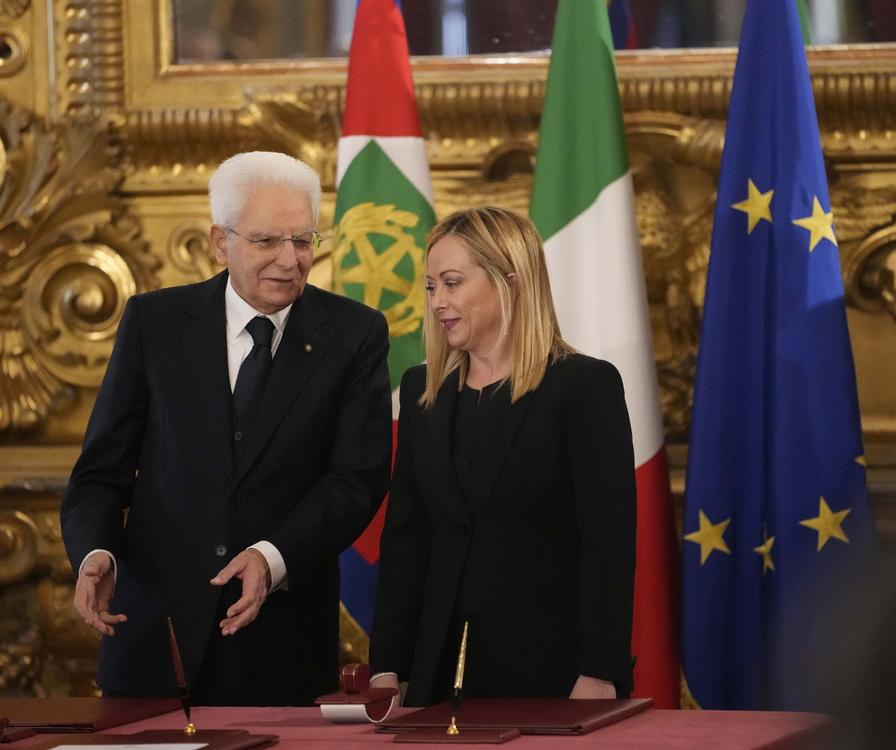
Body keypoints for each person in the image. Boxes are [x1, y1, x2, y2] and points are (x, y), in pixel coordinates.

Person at [61, 151, 392, 706]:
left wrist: (271, 555)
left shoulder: (354, 334)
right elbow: (100, 472)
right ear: (221, 242)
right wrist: (97, 553)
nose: (290, 260)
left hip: (280, 645)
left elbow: (356, 479)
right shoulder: (155, 323)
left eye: (303, 240)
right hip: (152, 640)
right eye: (267, 241)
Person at [369, 206, 636, 706]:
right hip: (436, 669)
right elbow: (407, 541)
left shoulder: (584, 386)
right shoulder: (422, 392)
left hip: (553, 670)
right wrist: (387, 666)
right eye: (431, 287)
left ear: (509, 282)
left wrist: (601, 669)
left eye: (451, 283)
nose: (437, 303)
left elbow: (608, 542)